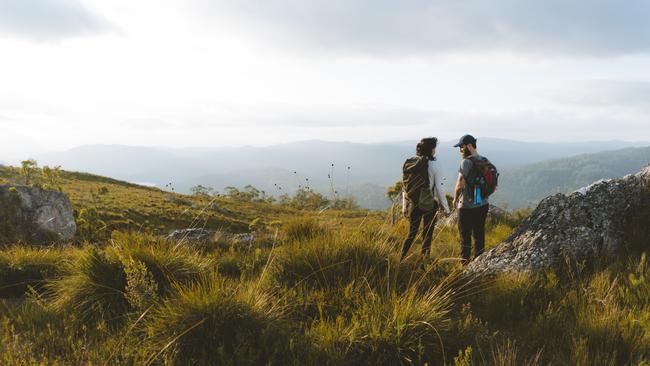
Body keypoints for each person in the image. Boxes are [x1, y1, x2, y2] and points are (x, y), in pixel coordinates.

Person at [401, 137, 451, 260]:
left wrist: (405, 207)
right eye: (434, 147)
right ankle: (423, 263)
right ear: (431, 149)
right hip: (429, 204)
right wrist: (446, 209)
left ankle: (401, 258)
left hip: (414, 202)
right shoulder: (435, 164)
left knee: (411, 234)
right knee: (427, 235)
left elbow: (405, 187)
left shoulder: (412, 163)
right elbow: (439, 188)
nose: (435, 150)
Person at [452, 134, 489, 264]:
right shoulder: (484, 160)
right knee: (479, 234)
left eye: (461, 147)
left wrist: (455, 199)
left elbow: (459, 184)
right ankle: (479, 263)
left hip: (467, 206)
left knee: (465, 236)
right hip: (483, 204)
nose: (460, 150)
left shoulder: (466, 162)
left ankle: (464, 264)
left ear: (469, 146)